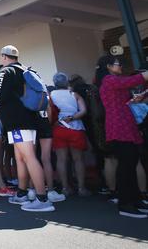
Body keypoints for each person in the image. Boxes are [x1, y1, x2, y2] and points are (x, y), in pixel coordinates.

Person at [0, 45, 54, 212]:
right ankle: (22, 193)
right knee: (21, 158)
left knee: (28, 157)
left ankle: (42, 199)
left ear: (4, 57)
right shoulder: (25, 70)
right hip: (28, 120)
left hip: (16, 122)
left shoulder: (5, 72)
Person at [96, 55, 148, 218]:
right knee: (127, 165)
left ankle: (135, 200)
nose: (121, 67)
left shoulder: (109, 81)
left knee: (130, 163)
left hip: (124, 125)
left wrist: (136, 99)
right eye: (118, 64)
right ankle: (125, 204)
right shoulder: (109, 80)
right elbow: (131, 81)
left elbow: (122, 98)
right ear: (109, 66)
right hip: (120, 127)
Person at [50, 72, 89, 197]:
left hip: (58, 128)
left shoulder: (50, 95)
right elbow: (83, 110)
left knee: (61, 159)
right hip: (75, 128)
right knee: (78, 159)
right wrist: (72, 117)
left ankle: (66, 188)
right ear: (67, 82)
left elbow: (48, 112)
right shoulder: (74, 94)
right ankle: (82, 188)